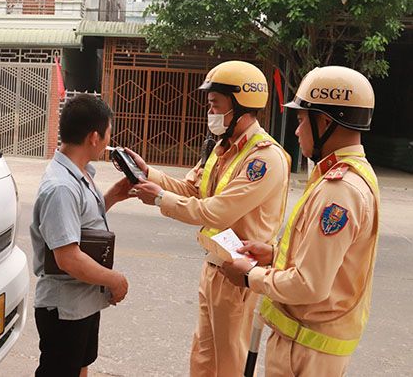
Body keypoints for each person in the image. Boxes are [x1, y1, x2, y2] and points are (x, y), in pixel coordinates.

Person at [128, 61, 291, 376]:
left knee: (229, 363)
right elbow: (192, 189)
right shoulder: (222, 148)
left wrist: (159, 198)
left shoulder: (264, 159)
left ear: (241, 105)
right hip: (214, 267)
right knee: (203, 360)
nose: (210, 112)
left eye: (215, 105)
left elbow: (217, 211)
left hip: (240, 274)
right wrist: (148, 172)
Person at [220, 66, 379, 376]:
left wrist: (251, 276)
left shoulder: (339, 190)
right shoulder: (351, 174)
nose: (297, 130)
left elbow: (310, 285)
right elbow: (328, 260)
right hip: (311, 345)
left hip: (305, 350)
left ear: (324, 122)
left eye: (301, 120)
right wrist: (275, 255)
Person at [30, 94, 132, 377]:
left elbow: (80, 223)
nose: (109, 141)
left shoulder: (80, 173)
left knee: (79, 367)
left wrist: (112, 197)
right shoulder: (61, 187)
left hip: (83, 301)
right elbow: (68, 258)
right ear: (94, 137)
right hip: (65, 308)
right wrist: (115, 279)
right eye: (108, 134)